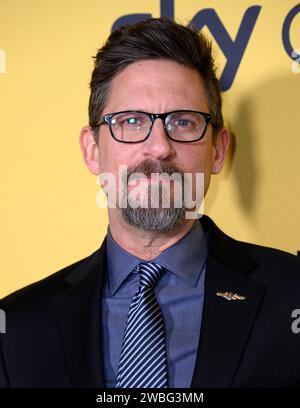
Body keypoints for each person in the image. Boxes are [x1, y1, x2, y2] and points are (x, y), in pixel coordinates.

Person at [0, 17, 300, 388]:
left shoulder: (291, 296)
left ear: (218, 151)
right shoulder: (15, 327)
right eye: (130, 121)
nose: (159, 147)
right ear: (93, 150)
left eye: (184, 122)